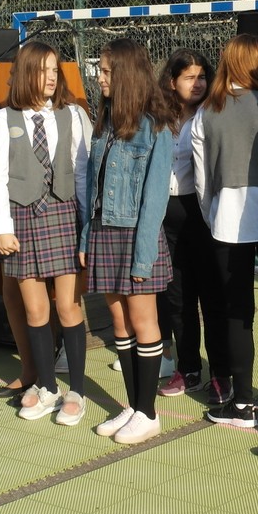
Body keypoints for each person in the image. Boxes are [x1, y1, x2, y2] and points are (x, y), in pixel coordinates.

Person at [191, 34, 258, 429]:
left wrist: (213, 214)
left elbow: (202, 179)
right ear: (250, 63)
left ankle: (241, 404)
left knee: (237, 313)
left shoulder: (206, 111)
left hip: (226, 223)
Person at [0, 41, 91, 425]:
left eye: (54, 70)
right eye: (43, 69)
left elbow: (81, 173)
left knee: (67, 307)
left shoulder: (71, 114)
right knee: (34, 309)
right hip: (22, 220)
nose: (51, 77)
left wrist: (87, 228)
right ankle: (47, 387)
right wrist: (1, 229)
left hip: (64, 216)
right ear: (27, 73)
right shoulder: (5, 118)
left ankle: (76, 390)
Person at [81, 38, 176, 444]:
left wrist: (143, 258)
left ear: (125, 75)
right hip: (104, 231)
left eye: (106, 71)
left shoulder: (155, 127)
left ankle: (148, 412)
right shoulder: (104, 123)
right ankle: (135, 406)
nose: (99, 78)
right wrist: (86, 237)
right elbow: (92, 187)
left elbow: (155, 200)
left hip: (137, 236)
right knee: (119, 322)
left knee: (143, 321)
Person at [155, 49, 226, 399]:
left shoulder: (213, 114)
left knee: (211, 298)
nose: (197, 84)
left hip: (202, 215)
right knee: (178, 298)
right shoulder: (159, 119)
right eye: (189, 77)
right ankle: (188, 368)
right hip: (166, 217)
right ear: (172, 82)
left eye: (201, 77)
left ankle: (221, 374)